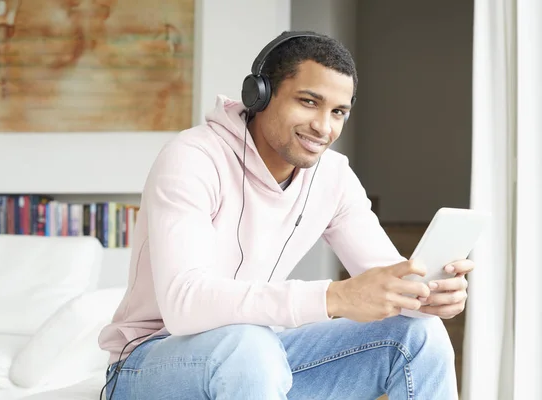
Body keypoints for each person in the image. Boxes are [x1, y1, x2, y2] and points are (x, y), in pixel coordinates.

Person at [98, 30, 473, 400]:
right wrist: (333, 297)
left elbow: (387, 276)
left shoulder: (333, 176)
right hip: (149, 365)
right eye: (309, 102)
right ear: (259, 94)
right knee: (248, 344)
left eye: (338, 112)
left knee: (419, 335)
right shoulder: (192, 157)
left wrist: (422, 296)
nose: (324, 127)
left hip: (258, 359)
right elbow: (184, 305)